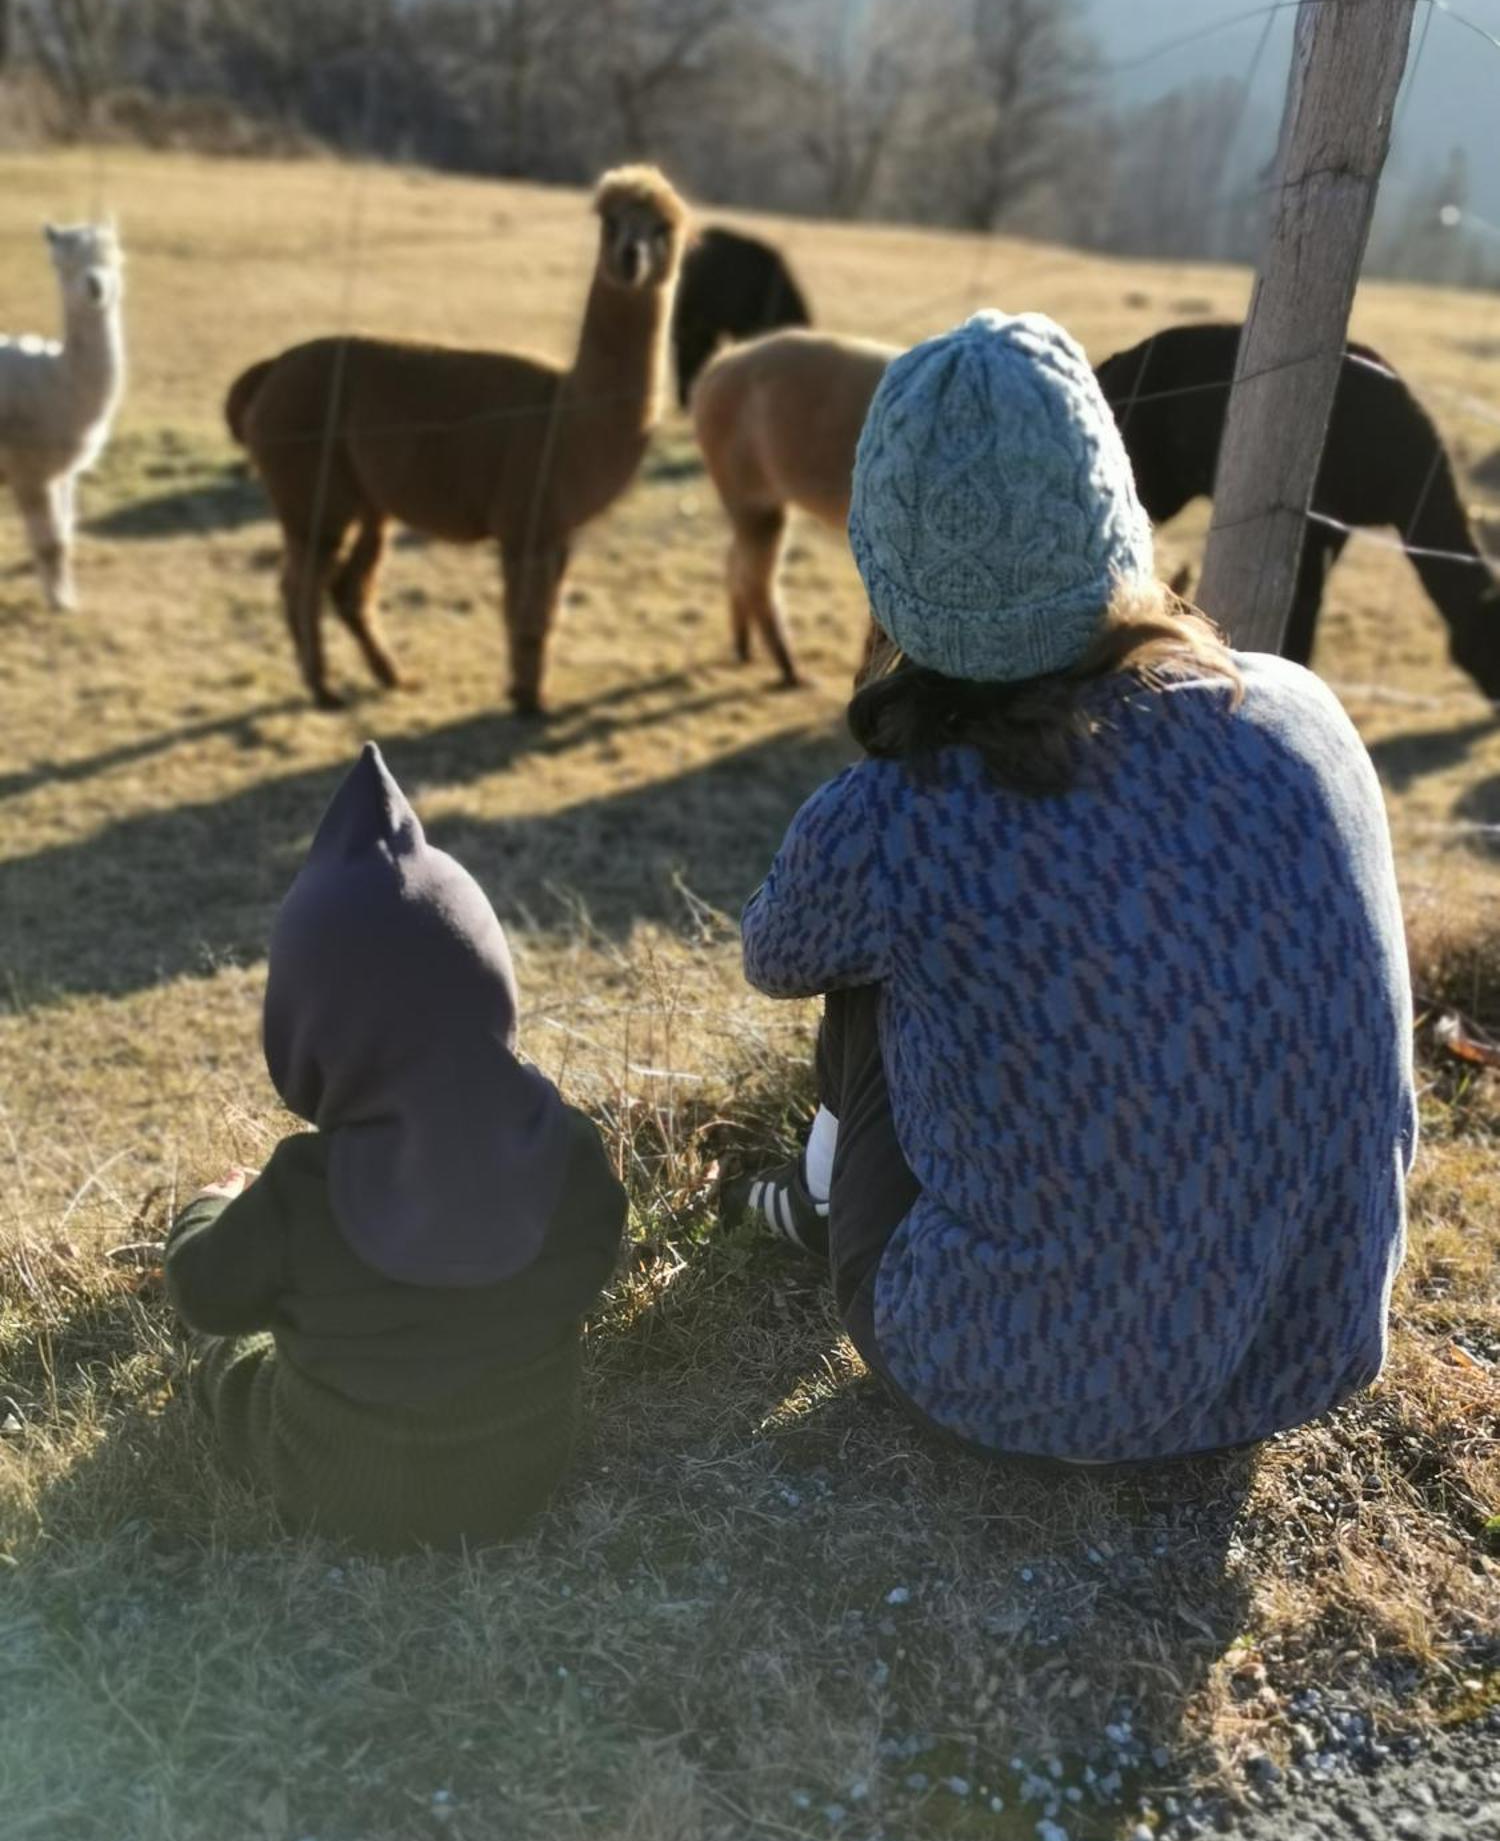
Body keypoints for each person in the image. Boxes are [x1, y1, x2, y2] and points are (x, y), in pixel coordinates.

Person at [726, 310, 1416, 1466]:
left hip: (1022, 1382)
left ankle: (823, 1201)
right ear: (1114, 511)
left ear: (890, 555)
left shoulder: (897, 815)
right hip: (1315, 1336)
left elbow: (774, 952)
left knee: (864, 966)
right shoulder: (1302, 708)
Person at [165, 743, 625, 1551]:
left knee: (225, 1355)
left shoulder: (301, 1190)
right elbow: (595, 1262)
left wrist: (208, 1208)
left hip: (333, 1489)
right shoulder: (567, 1149)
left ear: (307, 1031)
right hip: (522, 1472)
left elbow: (204, 1293)